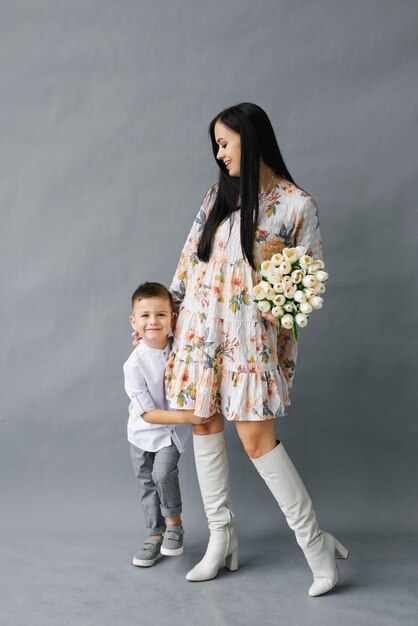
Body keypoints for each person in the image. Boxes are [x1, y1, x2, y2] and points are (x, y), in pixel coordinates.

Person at [164, 103, 349, 596]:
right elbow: (186, 267)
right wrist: (164, 323)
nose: (219, 154)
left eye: (225, 142)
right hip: (201, 337)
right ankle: (221, 540)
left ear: (251, 136)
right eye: (216, 146)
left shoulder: (296, 205)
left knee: (256, 442)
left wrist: (280, 311)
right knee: (204, 423)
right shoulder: (215, 198)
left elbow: (309, 280)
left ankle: (316, 548)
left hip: (248, 341)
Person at [123, 281, 212, 567]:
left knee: (162, 475)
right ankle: (155, 534)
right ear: (134, 322)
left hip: (171, 433)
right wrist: (189, 416)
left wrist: (186, 419)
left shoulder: (181, 349)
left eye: (160, 314)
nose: (153, 321)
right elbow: (147, 414)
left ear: (172, 318)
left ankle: (174, 525)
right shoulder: (133, 365)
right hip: (142, 433)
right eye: (145, 316)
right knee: (147, 484)